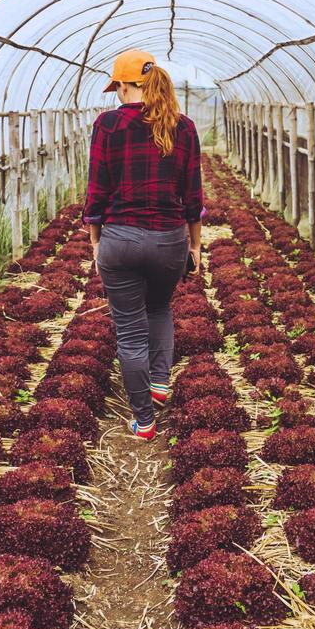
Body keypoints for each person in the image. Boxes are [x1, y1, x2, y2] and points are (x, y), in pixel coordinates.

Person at [84, 50, 204, 440]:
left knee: (130, 332)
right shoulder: (182, 126)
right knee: (159, 308)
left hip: (121, 240)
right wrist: (195, 247)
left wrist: (96, 240)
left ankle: (144, 421)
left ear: (124, 85)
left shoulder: (107, 125)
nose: (116, 92)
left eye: (117, 86)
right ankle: (160, 383)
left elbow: (97, 188)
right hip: (169, 240)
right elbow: (193, 197)